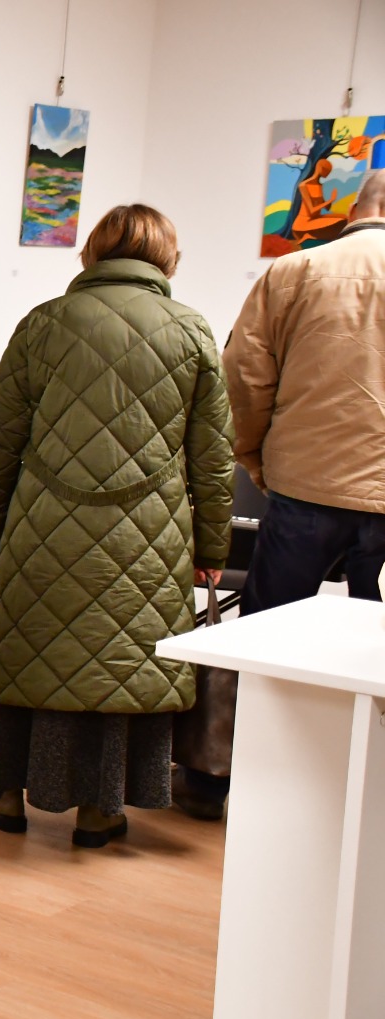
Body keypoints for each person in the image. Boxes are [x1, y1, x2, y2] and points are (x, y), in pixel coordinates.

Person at [0, 204, 234, 848]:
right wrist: (212, 545)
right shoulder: (191, 331)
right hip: (149, 535)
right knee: (121, 662)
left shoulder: (42, 323)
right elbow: (213, 457)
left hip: (44, 526)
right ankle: (100, 809)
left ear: (91, 252)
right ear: (166, 258)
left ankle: (6, 794)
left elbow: (0, 440)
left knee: (35, 651)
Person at [186, 170, 385, 817]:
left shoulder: (294, 271)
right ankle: (356, 793)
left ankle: (221, 776)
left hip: (306, 487)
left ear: (357, 208)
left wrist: (256, 462)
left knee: (266, 636)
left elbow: (243, 379)